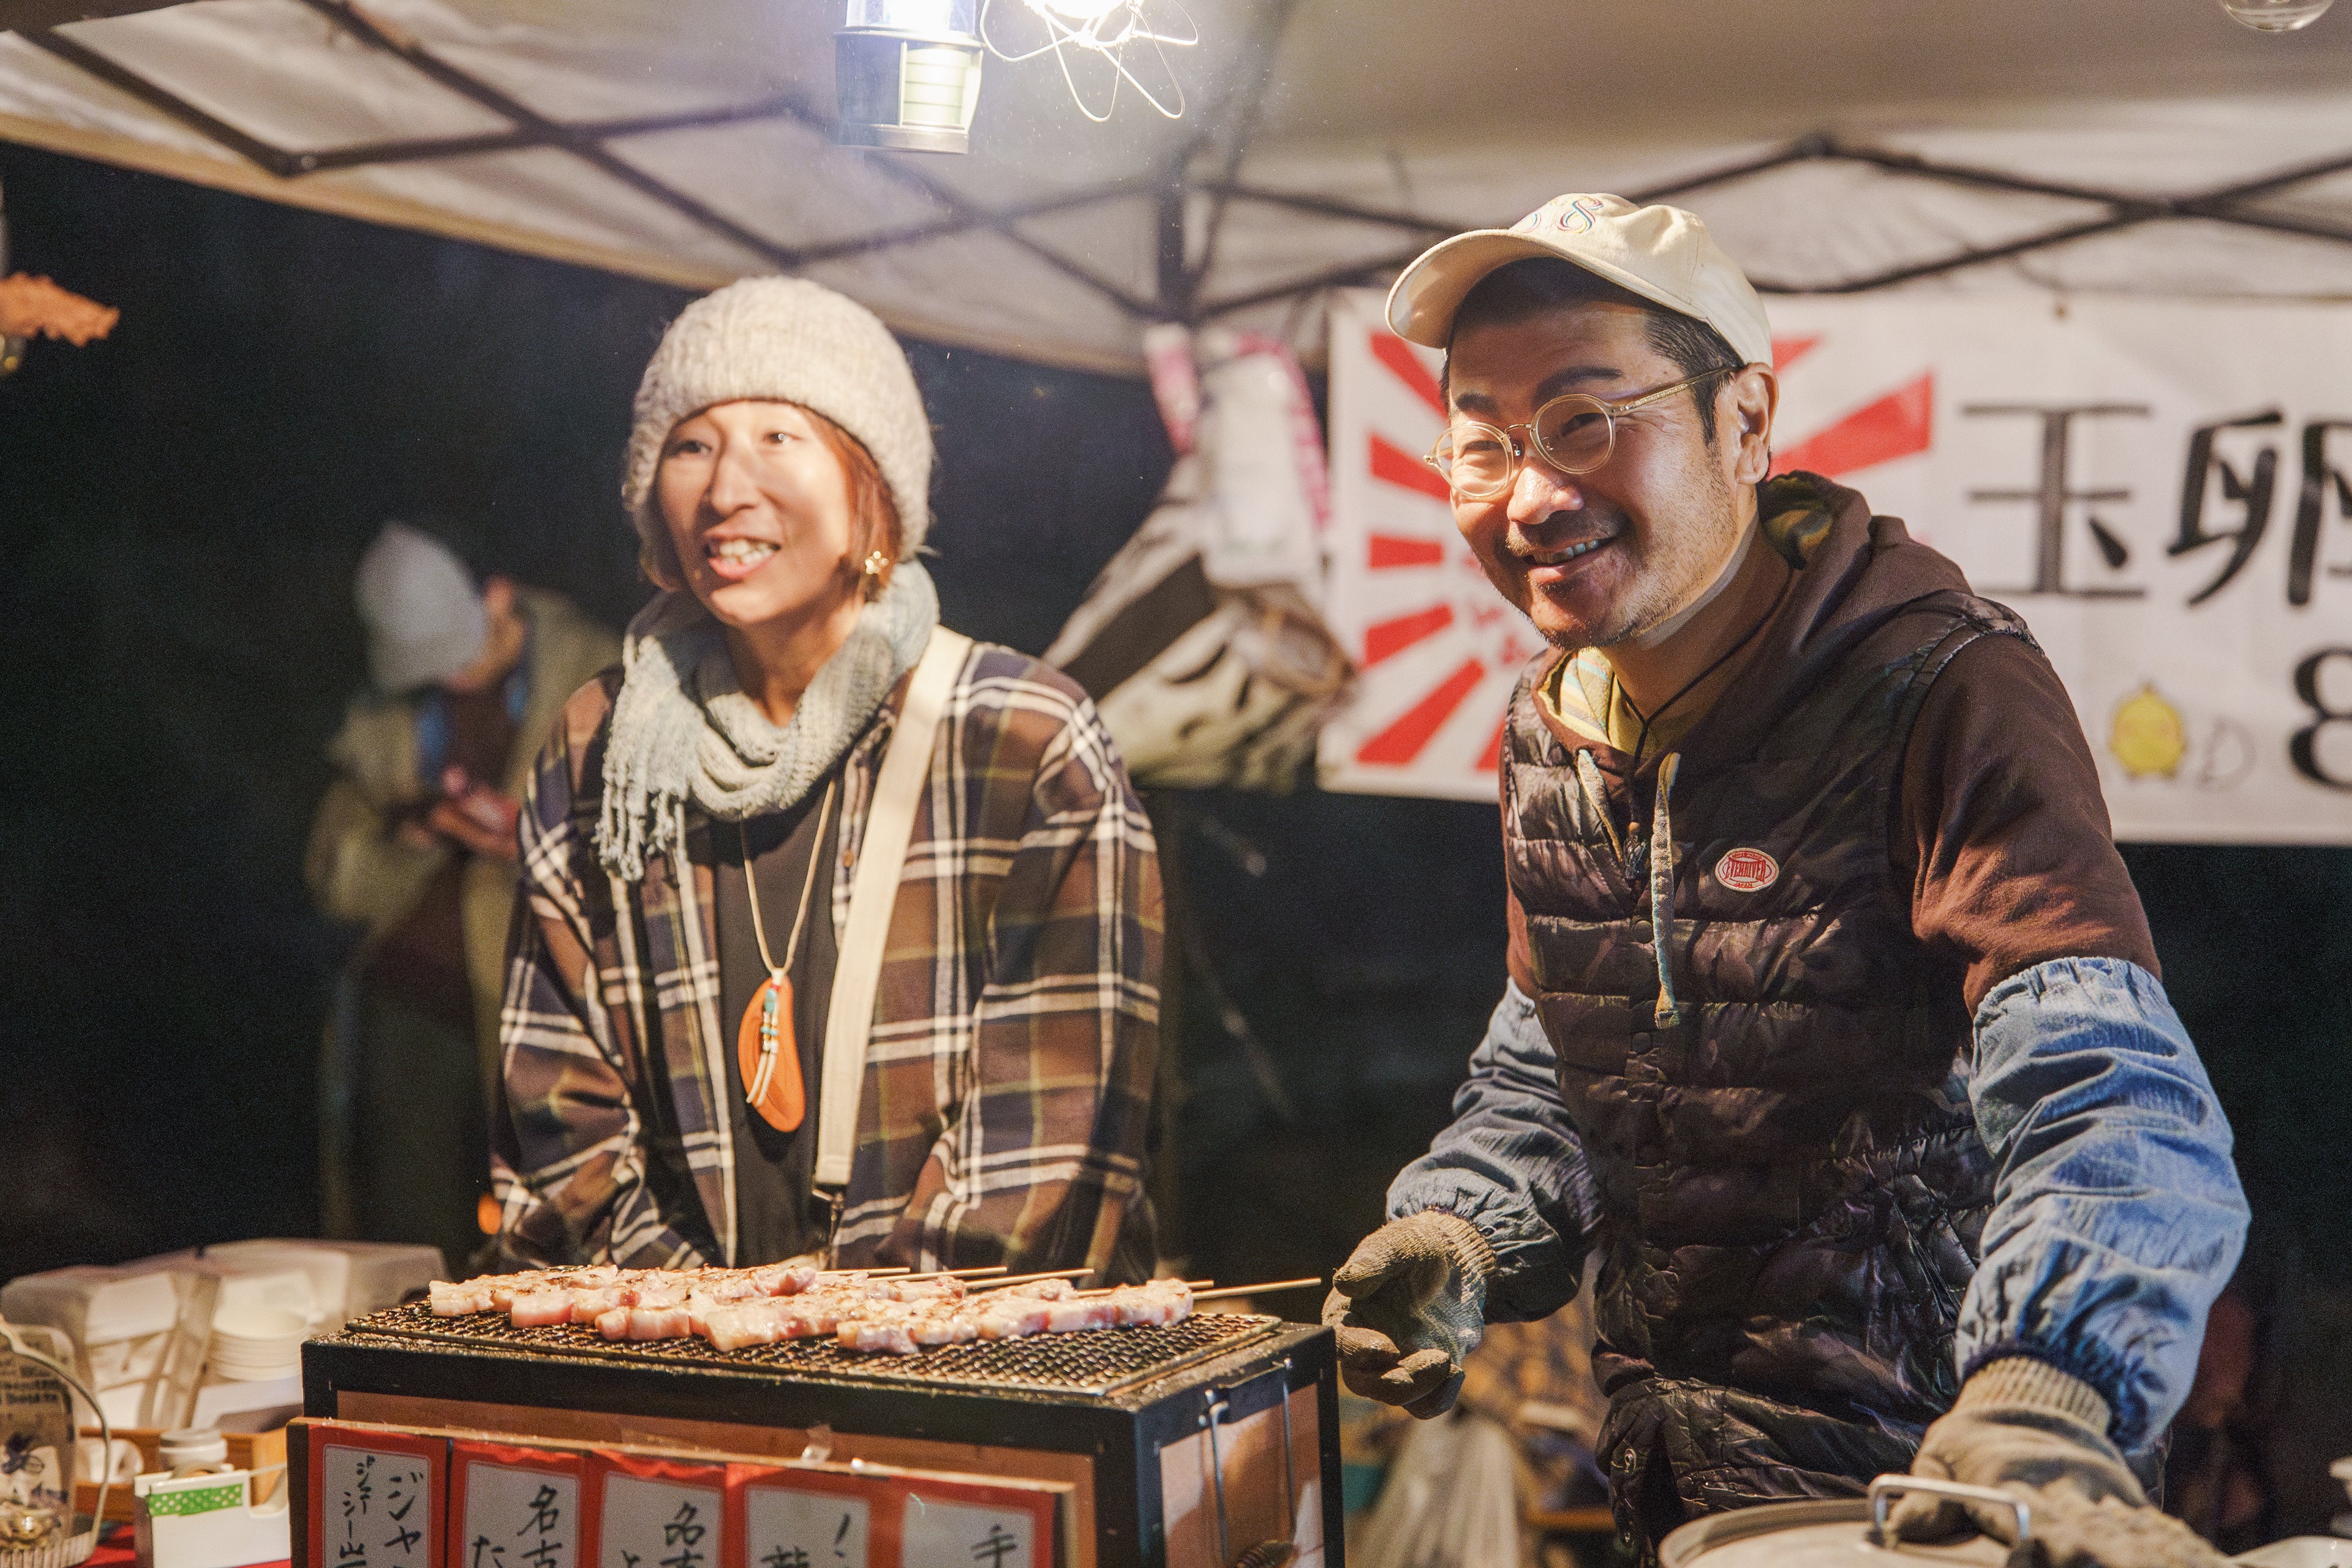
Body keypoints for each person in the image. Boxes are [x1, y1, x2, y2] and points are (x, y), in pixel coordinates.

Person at [1321, 195, 2250, 1567]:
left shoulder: (1939, 689)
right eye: (1484, 442)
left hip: (1939, 1495)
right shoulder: (1552, 727)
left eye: (1584, 421)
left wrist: (2049, 1390)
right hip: (1680, 1488)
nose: (1532, 495)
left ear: (1745, 423)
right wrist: (1460, 1226)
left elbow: (2109, 1088)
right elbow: (1557, 1062)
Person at [487, 277, 1160, 1280]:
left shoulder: (1018, 737)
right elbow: (557, 1112)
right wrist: (700, 1317)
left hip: (971, 1350)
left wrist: (852, 1330)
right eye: (691, 446)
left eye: (778, 437)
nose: (726, 489)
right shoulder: (605, 745)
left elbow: (1049, 1142)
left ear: (870, 494)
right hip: (681, 1345)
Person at [306, 521, 619, 1267]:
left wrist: (539, 842)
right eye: (427, 663)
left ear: (499, 593)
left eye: (460, 648)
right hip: (413, 1004)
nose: (450, 676)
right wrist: (414, 831)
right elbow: (334, 874)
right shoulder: (390, 713)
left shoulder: (601, 677)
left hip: (554, 1005)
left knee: (557, 1239)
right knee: (408, 1237)